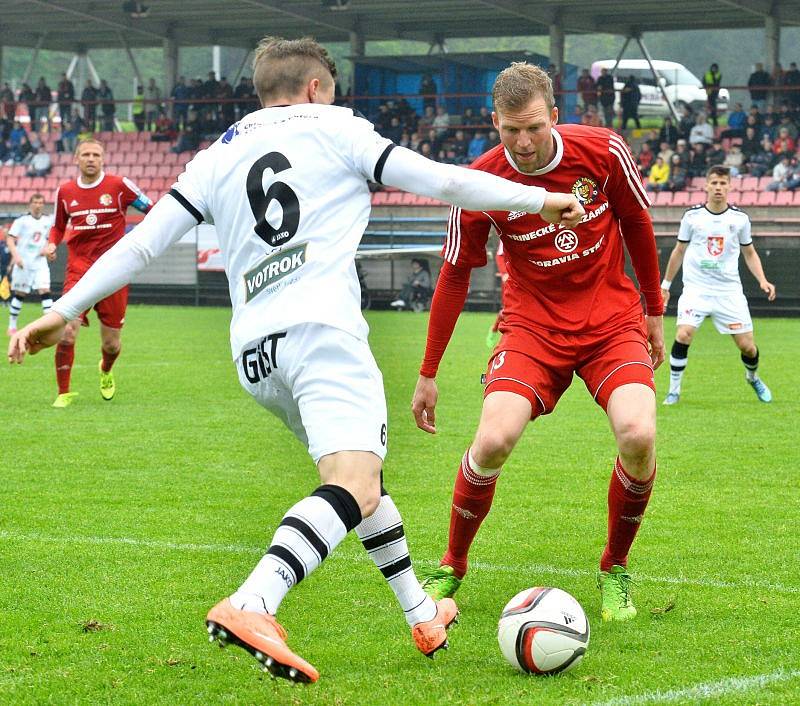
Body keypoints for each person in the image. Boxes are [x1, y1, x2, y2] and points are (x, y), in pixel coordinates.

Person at [8, 37, 584, 684]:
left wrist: (62, 309)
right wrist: (540, 200)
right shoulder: (337, 127)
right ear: (315, 88)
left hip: (256, 354)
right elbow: (443, 180)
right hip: (322, 331)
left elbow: (141, 246)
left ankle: (422, 612)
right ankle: (256, 600)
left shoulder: (215, 154)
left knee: (359, 475)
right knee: (355, 482)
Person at [411, 62, 664, 624]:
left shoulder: (603, 151)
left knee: (639, 434)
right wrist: (428, 371)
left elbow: (639, 224)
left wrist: (653, 310)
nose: (522, 144)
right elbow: (454, 273)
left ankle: (615, 567)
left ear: (554, 116)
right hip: (532, 327)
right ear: (493, 122)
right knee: (494, 438)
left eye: (533, 128)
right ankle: (452, 562)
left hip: (610, 321)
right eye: (509, 131)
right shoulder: (477, 181)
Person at [41, 139, 153, 408]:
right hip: (78, 270)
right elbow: (58, 227)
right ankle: (63, 392)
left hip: (115, 272)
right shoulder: (65, 192)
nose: (91, 159)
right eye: (86, 154)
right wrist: (52, 242)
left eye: (96, 154)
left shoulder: (119, 186)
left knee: (112, 345)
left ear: (103, 159)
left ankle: (105, 369)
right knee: (67, 331)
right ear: (76, 159)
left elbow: (154, 209)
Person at [660, 166, 775, 405]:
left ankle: (752, 377)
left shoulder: (740, 219)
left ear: (730, 186)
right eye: (714, 183)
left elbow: (750, 253)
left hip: (728, 292)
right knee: (683, 334)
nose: (718, 188)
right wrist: (666, 285)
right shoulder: (692, 217)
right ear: (706, 186)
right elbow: (679, 251)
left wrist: (763, 280)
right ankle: (673, 390)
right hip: (696, 290)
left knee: (748, 347)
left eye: (723, 183)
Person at [5, 194, 53, 335]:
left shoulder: (47, 221)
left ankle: (48, 326)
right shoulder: (22, 221)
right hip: (24, 262)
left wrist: (48, 248)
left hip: (40, 262)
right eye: (35, 202)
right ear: (30, 204)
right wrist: (16, 257)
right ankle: (12, 325)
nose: (38, 205)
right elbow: (10, 239)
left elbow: (52, 238)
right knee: (20, 293)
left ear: (43, 204)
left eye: (41, 202)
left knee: (45, 290)